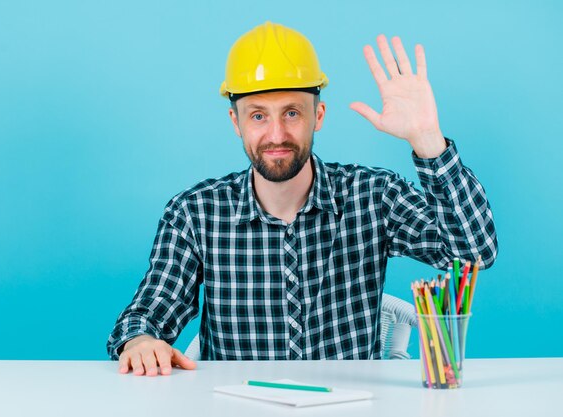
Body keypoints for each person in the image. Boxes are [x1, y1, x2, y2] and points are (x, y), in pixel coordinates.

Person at [107, 21, 497, 376]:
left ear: (319, 115)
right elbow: (144, 317)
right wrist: (140, 342)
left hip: (351, 406)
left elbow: (473, 254)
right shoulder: (195, 213)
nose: (276, 134)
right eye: (258, 115)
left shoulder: (373, 196)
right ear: (235, 123)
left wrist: (428, 141)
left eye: (292, 112)